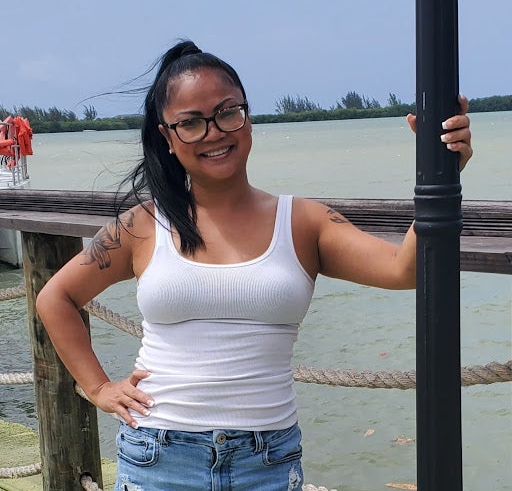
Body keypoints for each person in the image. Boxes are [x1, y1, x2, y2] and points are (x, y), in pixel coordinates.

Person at [36, 40, 473, 491]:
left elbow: (405, 270)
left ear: (247, 116)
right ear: (167, 137)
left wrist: (442, 171)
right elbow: (56, 298)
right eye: (191, 123)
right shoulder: (143, 225)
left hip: (266, 460)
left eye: (227, 113)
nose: (214, 133)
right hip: (158, 454)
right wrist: (99, 388)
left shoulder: (303, 222)